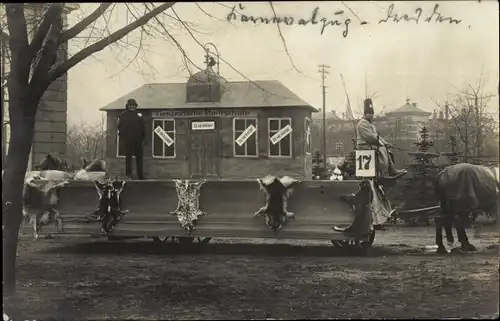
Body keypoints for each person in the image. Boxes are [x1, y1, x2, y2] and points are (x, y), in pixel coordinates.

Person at [356, 98, 406, 179]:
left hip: (370, 144)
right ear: (365, 114)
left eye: (372, 113)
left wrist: (385, 143)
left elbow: (376, 136)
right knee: (382, 149)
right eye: (369, 113)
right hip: (364, 145)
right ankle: (386, 172)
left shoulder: (370, 124)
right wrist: (381, 143)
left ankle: (391, 170)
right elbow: (370, 137)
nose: (371, 115)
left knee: (387, 150)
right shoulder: (362, 124)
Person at [117, 98, 145, 180]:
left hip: (138, 140)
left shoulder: (138, 116)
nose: (132, 107)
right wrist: (124, 135)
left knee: (139, 157)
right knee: (128, 157)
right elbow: (119, 127)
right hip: (128, 140)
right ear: (127, 106)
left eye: (133, 105)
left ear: (135, 106)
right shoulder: (123, 116)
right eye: (130, 105)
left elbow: (143, 128)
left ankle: (140, 175)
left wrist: (142, 137)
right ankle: (128, 174)